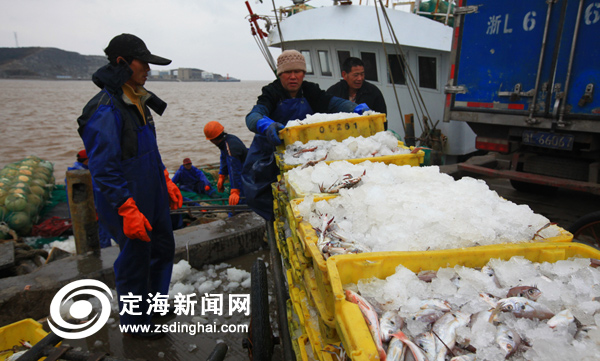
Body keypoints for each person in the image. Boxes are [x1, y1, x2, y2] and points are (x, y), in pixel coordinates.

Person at [76, 34, 182, 340]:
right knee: (135, 259)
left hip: (153, 191)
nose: (148, 69)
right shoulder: (105, 109)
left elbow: (148, 149)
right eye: (143, 62)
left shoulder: (138, 98)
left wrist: (165, 179)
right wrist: (125, 207)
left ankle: (154, 305)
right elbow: (103, 167)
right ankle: (136, 321)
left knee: (162, 248)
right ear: (122, 63)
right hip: (126, 198)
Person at [242, 50, 370, 220]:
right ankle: (277, 222)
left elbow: (332, 103)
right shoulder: (271, 92)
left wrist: (354, 108)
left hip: (302, 152)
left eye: (298, 72)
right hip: (269, 151)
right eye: (288, 72)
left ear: (303, 73)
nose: (293, 76)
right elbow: (253, 115)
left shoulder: (310, 90)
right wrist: (265, 125)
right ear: (280, 74)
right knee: (259, 193)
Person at [65, 149, 112, 248]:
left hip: (79, 214)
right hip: (93, 213)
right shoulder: (86, 175)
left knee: (86, 240)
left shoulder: (72, 172)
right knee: (101, 238)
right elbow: (99, 191)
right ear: (87, 161)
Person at [203, 121, 248, 208]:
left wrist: (235, 190)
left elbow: (235, 169)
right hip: (241, 175)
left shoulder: (230, 147)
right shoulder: (226, 141)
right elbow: (223, 158)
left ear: (212, 139)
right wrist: (222, 175)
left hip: (244, 177)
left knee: (239, 205)